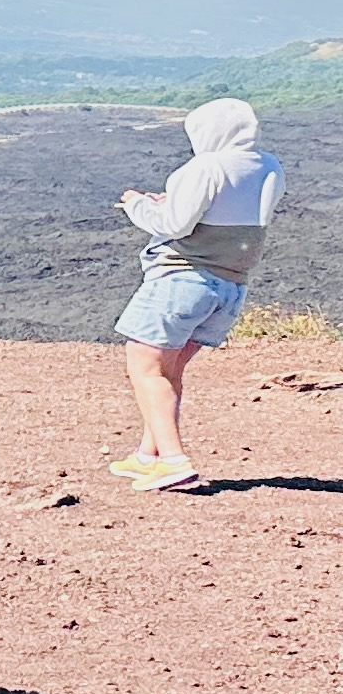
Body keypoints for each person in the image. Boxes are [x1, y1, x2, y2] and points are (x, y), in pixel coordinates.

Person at [110, 97, 281, 493]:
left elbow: (175, 224)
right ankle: (147, 457)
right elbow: (227, 212)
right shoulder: (268, 165)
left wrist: (137, 205)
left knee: (146, 366)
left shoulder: (204, 166)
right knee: (169, 370)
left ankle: (174, 463)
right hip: (230, 285)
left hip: (182, 280)